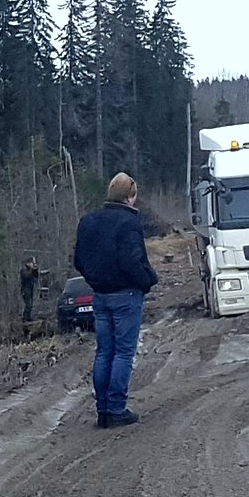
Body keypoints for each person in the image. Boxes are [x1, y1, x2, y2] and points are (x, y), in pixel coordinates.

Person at [72, 173, 159, 429]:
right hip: (126, 294)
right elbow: (132, 260)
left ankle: (103, 411)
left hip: (100, 295)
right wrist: (147, 281)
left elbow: (78, 260)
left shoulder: (88, 221)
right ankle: (116, 408)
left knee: (104, 352)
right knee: (123, 353)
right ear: (130, 196)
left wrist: (95, 280)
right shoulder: (128, 223)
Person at [19, 256, 41, 327]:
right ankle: (25, 318)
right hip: (25, 289)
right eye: (32, 263)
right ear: (28, 263)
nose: (33, 264)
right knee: (28, 304)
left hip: (30, 288)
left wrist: (35, 270)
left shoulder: (30, 270)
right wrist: (31, 270)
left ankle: (28, 317)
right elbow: (26, 276)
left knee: (31, 304)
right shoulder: (23, 270)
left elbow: (36, 277)